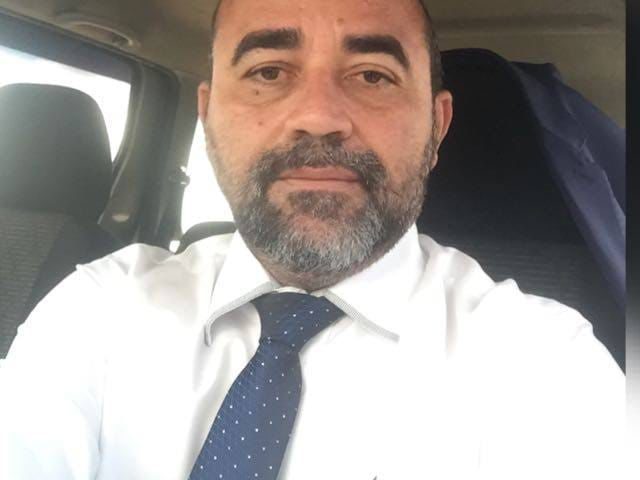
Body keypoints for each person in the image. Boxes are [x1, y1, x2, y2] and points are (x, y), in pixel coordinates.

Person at [0, 0, 625, 479]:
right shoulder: (99, 308)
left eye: (373, 75)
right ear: (208, 116)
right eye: (269, 71)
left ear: (436, 128)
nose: (319, 117)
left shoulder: (545, 365)